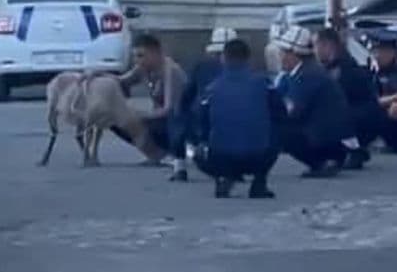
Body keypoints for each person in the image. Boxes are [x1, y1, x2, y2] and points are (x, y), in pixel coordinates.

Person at [195, 38, 284, 199]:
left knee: (200, 147)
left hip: (220, 157)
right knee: (277, 133)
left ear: (223, 58)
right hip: (258, 156)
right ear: (249, 59)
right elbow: (280, 112)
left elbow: (201, 122)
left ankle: (223, 177)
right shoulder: (264, 83)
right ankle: (259, 182)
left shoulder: (212, 88)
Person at [275, 25, 355, 178]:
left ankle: (321, 162)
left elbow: (292, 111)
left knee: (282, 130)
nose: (280, 56)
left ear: (294, 54)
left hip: (328, 139)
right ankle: (323, 161)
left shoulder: (306, 75)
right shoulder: (306, 71)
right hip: (334, 137)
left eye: (284, 52)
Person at [118, 33, 189, 181]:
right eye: (135, 56)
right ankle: (154, 153)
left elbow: (170, 110)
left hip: (176, 123)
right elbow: (121, 81)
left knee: (135, 118)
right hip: (158, 119)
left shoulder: (171, 71)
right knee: (116, 118)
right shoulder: (143, 69)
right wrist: (96, 75)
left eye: (141, 55)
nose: (137, 60)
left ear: (155, 53)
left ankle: (168, 153)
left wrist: (141, 115)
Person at [314, 27, 385, 170]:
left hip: (363, 120)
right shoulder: (333, 67)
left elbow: (336, 101)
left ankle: (353, 151)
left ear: (328, 45)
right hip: (358, 116)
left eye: (316, 45)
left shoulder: (343, 69)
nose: (314, 50)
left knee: (331, 115)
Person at [172, 26, 237, 167]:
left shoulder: (202, 67)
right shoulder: (247, 71)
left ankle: (179, 164)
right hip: (239, 127)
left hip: (202, 123)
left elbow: (186, 97)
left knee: (176, 117)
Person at [370, 29, 397, 100]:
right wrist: (395, 97)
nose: (383, 55)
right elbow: (373, 101)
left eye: (387, 51)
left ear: (394, 53)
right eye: (381, 51)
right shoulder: (373, 73)